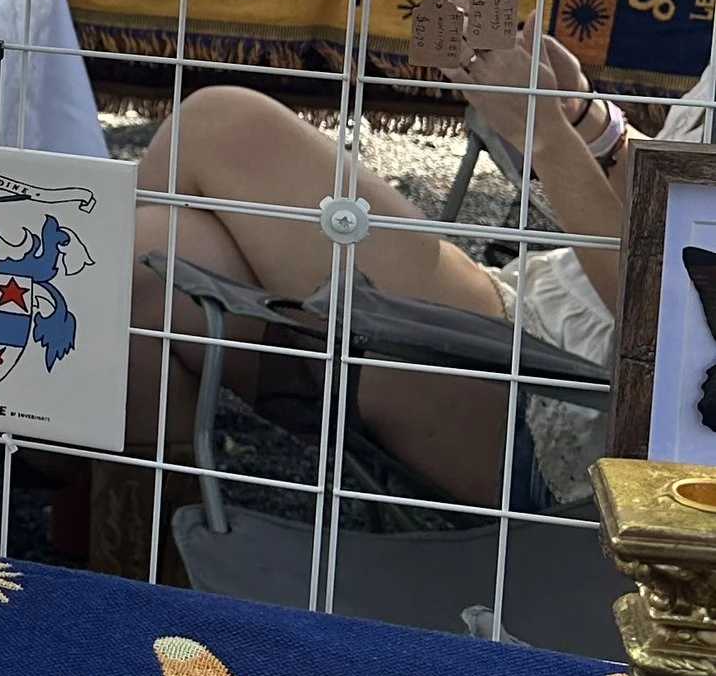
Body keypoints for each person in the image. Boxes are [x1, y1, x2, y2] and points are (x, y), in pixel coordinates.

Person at [128, 31, 707, 517]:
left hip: (583, 410)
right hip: (544, 326)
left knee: (222, 125)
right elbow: (678, 205)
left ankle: (104, 496)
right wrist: (586, 119)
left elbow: (675, 329)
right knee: (154, 253)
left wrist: (546, 135)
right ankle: (138, 562)